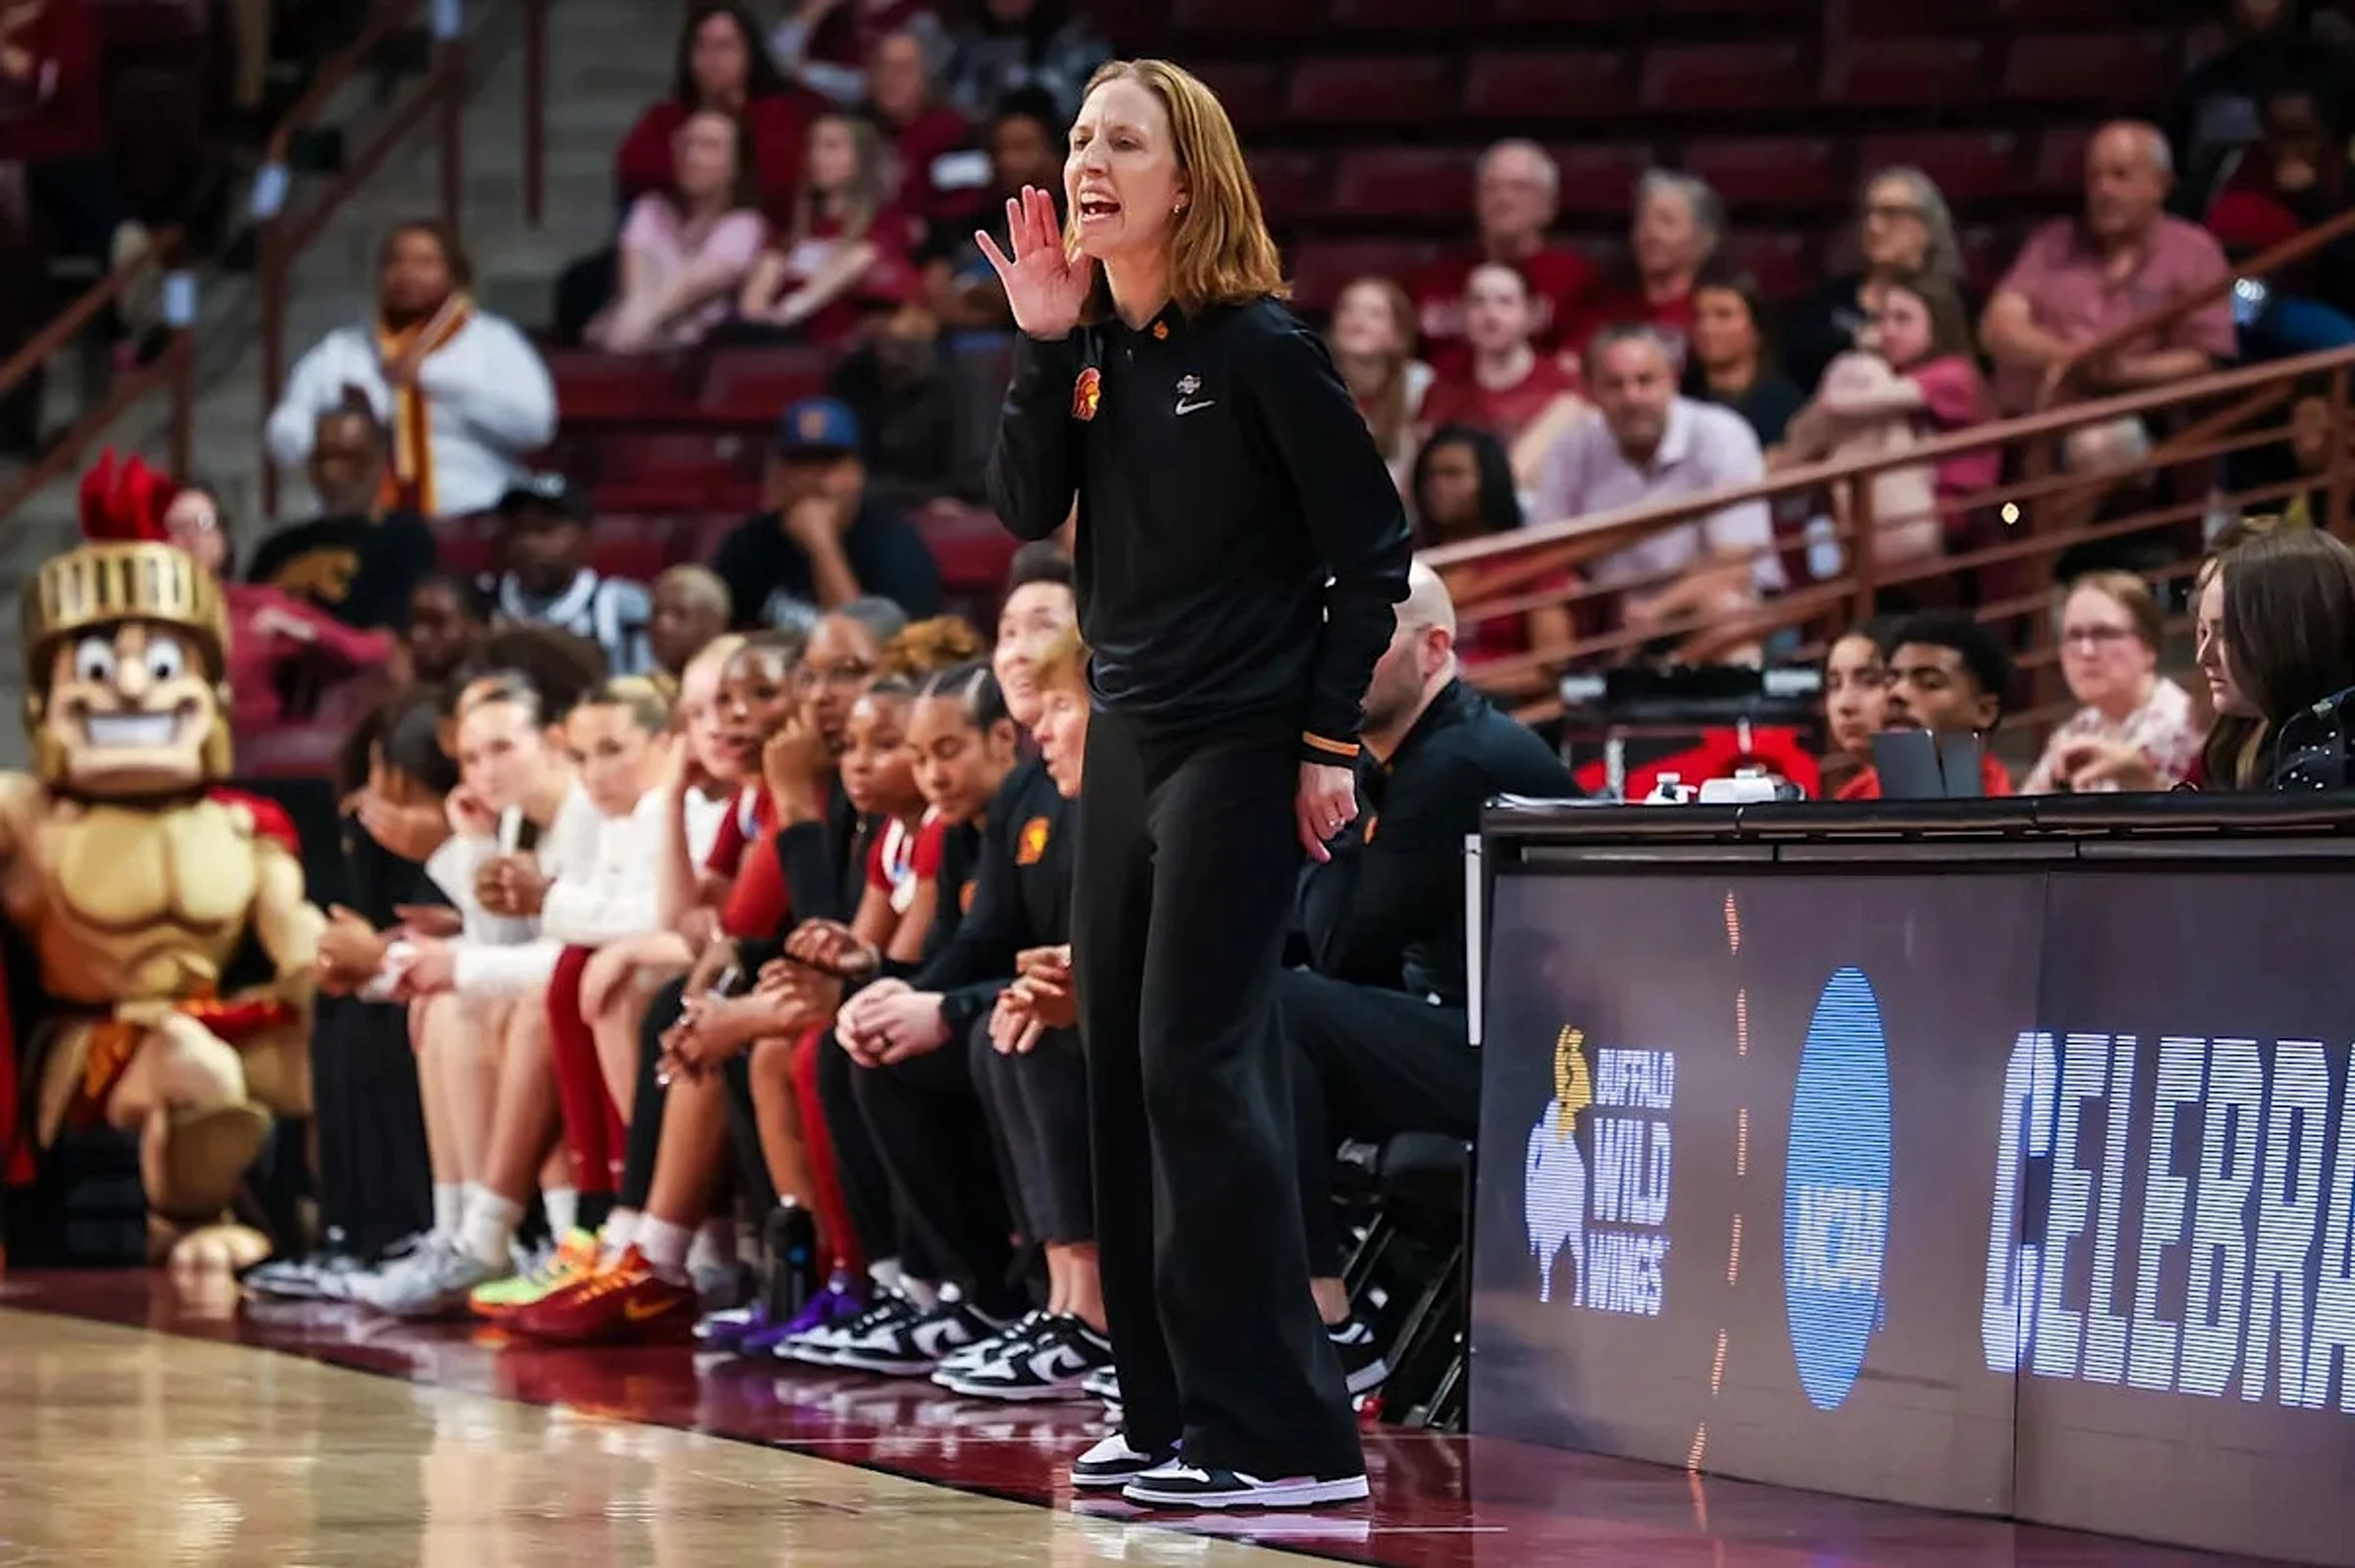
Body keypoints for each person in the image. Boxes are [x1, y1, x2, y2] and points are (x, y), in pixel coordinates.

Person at [978, 58, 1411, 1509]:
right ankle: (1165, 1410)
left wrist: (1325, 743)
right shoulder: (1094, 345)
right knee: (1118, 1060)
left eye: (1123, 141)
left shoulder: (1262, 347)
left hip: (1239, 745)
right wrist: (1041, 346)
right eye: (1080, 137)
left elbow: (1372, 556)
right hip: (1127, 739)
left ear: (1189, 180)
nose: (1089, 161)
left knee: (1195, 1060)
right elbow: (1026, 507)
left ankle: (1283, 1438)